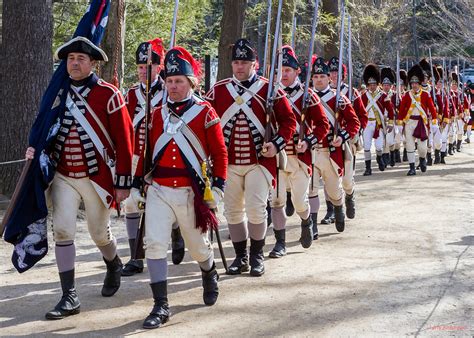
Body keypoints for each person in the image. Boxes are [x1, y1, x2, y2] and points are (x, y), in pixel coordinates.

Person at [25, 36, 134, 319]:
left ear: (92, 64)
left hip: (96, 177)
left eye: (81, 59)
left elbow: (124, 141)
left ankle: (113, 263)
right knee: (62, 230)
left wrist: (123, 183)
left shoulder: (109, 95)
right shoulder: (57, 93)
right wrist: (33, 147)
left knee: (100, 233)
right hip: (63, 175)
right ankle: (69, 296)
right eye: (70, 59)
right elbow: (44, 126)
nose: (74, 63)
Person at [132, 46, 228, 329]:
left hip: (191, 191)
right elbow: (145, 150)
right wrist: (138, 184)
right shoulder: (155, 113)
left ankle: (209, 271)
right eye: (170, 81)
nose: (173, 86)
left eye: (179, 82)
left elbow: (220, 153)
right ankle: (160, 305)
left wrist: (218, 188)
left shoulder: (204, 111)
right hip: (159, 189)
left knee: (198, 248)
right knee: (155, 245)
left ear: (190, 83)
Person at [205, 38, 296, 276]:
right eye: (236, 62)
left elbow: (289, 121)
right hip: (229, 163)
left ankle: (257, 256)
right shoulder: (218, 90)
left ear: (254, 64)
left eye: (244, 62)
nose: (239, 67)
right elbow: (203, 120)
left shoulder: (269, 89)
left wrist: (277, 145)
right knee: (233, 211)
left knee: (256, 209)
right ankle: (240, 257)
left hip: (259, 161)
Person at [122, 38, 185, 275]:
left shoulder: (169, 92)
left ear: (159, 68)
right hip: (137, 158)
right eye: (139, 67)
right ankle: (135, 256)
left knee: (168, 199)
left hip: (161, 156)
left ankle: (177, 231)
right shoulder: (130, 95)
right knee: (131, 204)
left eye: (147, 67)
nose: (142, 72)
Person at [268, 45, 329, 257]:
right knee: (276, 201)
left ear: (296, 72)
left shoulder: (307, 95)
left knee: (299, 201)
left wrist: (310, 141)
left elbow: (323, 124)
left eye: (287, 70)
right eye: (280, 70)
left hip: (300, 157)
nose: (283, 74)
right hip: (277, 156)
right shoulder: (269, 94)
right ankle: (280, 242)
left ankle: (306, 220)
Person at [309, 57, 360, 233]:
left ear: (329, 78)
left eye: (322, 76)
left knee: (334, 190)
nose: (319, 80)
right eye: (315, 77)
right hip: (311, 150)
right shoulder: (305, 98)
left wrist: (343, 136)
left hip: (331, 151)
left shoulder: (339, 99)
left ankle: (339, 207)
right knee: (311, 190)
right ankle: (312, 226)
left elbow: (354, 123)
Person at [397, 64, 438, 176]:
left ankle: (422, 159)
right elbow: (401, 111)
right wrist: (400, 124)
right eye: (412, 83)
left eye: (416, 83)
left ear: (419, 83)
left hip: (421, 123)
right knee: (409, 145)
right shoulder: (406, 95)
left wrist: (434, 122)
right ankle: (411, 167)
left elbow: (432, 109)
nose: (414, 85)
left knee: (422, 147)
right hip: (409, 122)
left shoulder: (426, 94)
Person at [360, 64, 395, 175]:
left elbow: (390, 111)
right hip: (367, 123)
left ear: (377, 84)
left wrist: (390, 123)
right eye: (370, 84)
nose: (372, 86)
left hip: (378, 124)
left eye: (374, 84)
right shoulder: (363, 96)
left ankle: (379, 158)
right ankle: (368, 168)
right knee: (366, 146)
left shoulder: (383, 96)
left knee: (379, 147)